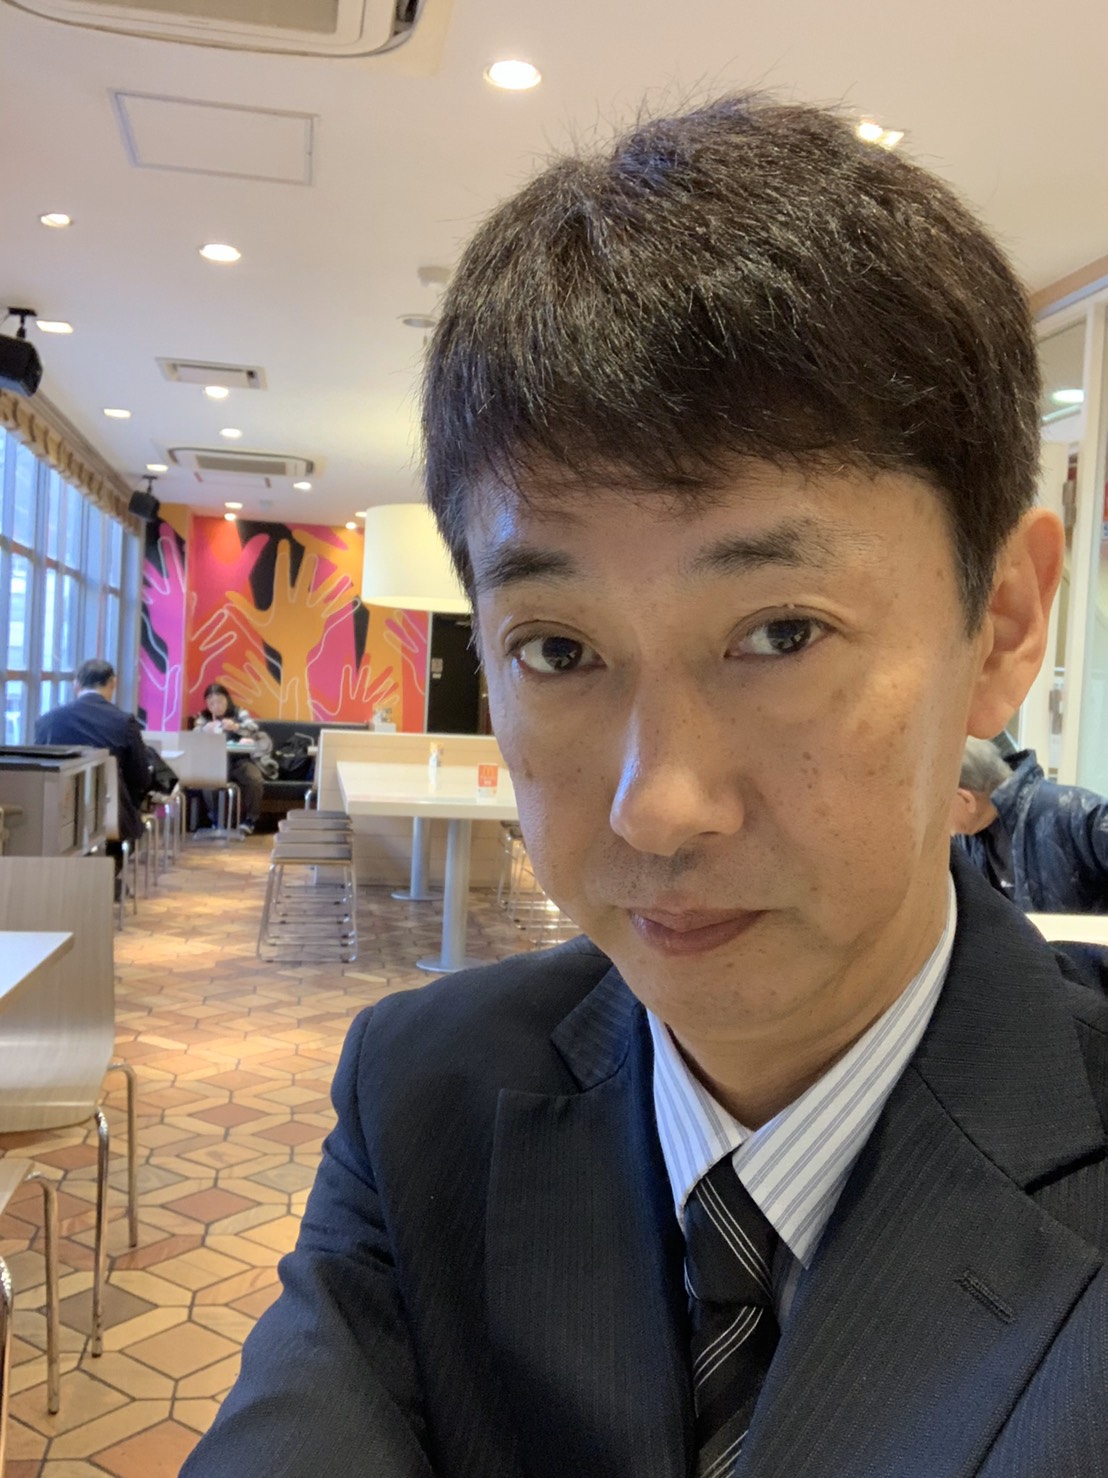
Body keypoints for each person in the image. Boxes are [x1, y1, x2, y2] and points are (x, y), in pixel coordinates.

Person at [182, 96, 1106, 1478]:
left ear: (1005, 625)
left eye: (780, 632)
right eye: (557, 650)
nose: (656, 806)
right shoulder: (426, 1098)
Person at [952, 735, 1108, 910]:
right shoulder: (966, 839)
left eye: (940, 806)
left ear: (965, 799)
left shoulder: (1077, 813)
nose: (942, 823)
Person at [35, 658, 149, 875]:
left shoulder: (47, 721)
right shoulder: (123, 722)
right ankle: (105, 882)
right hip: (111, 817)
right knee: (128, 819)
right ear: (113, 683)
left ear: (76, 685)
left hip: (57, 815)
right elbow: (140, 777)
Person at [192, 682, 264, 834]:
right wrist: (204, 730)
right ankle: (217, 820)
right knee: (208, 781)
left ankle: (250, 820)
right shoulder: (204, 717)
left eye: (220, 701)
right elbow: (194, 736)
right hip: (215, 761)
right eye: (211, 703)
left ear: (227, 700)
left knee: (254, 779)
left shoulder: (239, 712)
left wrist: (236, 727)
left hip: (240, 759)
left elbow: (253, 729)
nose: (216, 706)